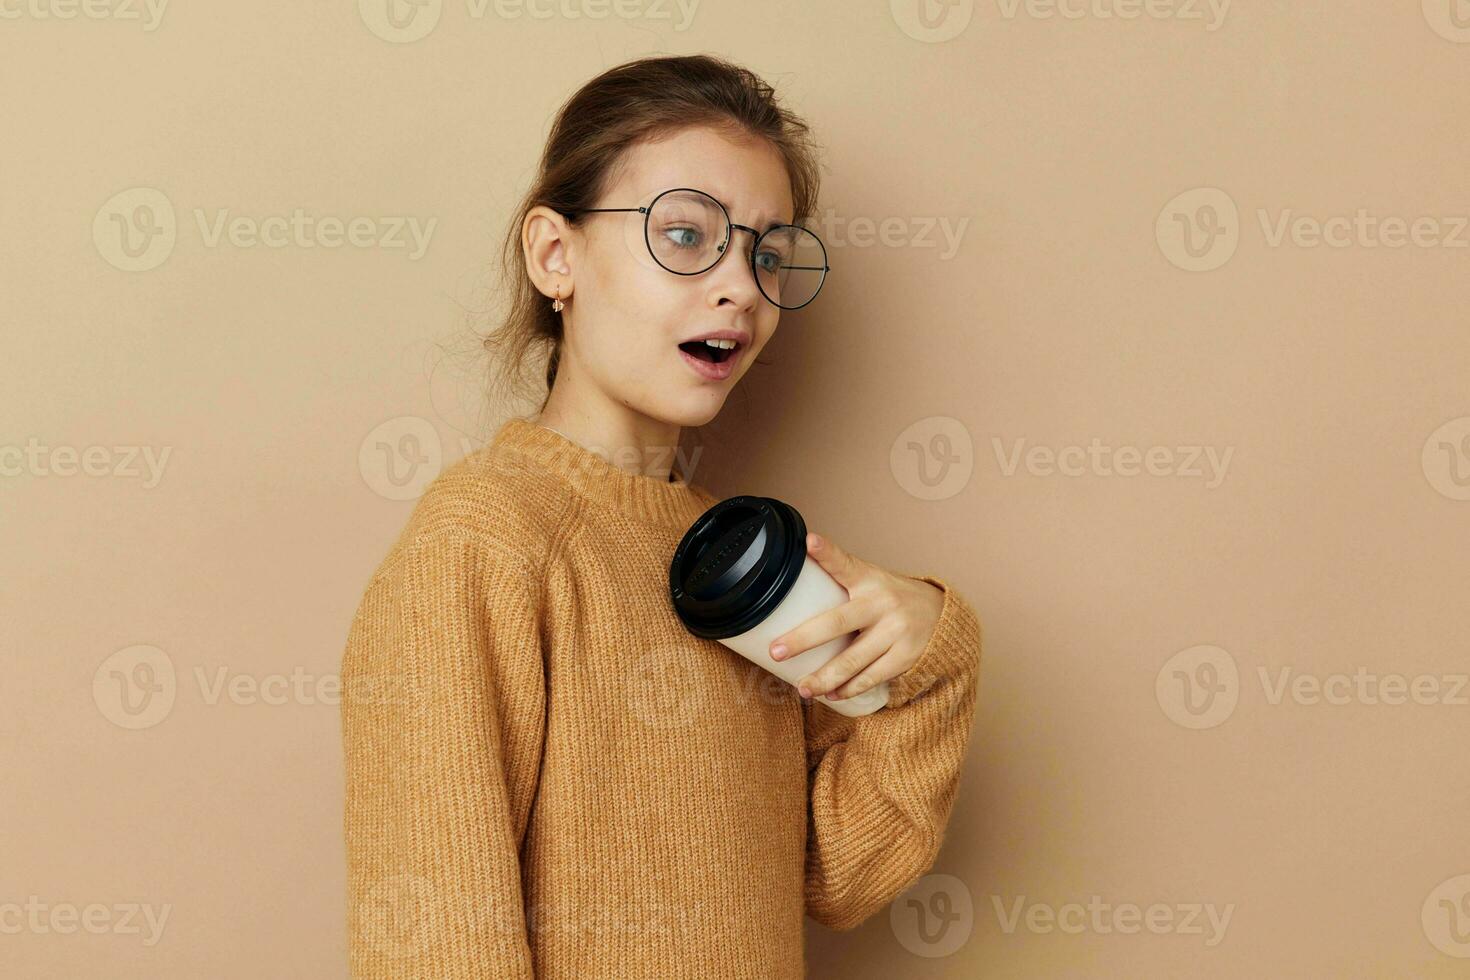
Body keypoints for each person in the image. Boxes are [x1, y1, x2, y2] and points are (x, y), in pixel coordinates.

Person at [340, 52, 983, 979]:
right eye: (686, 236)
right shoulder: (482, 542)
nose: (741, 288)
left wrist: (935, 659)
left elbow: (842, 875)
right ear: (555, 255)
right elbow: (433, 948)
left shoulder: (741, 559)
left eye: (765, 252)